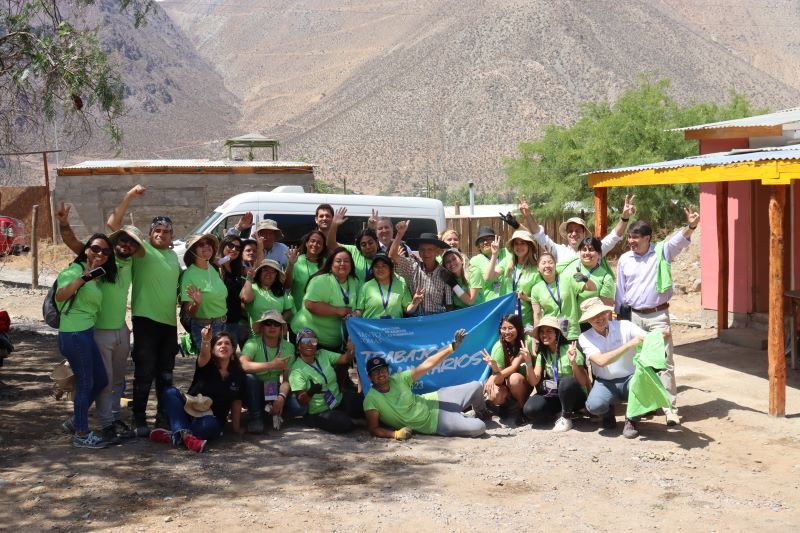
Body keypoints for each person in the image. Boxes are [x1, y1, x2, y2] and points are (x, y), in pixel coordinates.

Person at [57, 203, 141, 443]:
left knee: (108, 380)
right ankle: (96, 427)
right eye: (122, 241)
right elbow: (74, 242)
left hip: (110, 330)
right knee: (94, 381)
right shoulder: (89, 267)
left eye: (131, 243)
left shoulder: (118, 266)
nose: (126, 245)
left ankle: (78, 420)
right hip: (87, 333)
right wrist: (64, 224)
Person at [107, 184, 181, 435]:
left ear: (172, 236)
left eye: (166, 231)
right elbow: (113, 226)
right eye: (157, 230)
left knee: (166, 374)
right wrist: (128, 196)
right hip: (145, 320)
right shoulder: (141, 250)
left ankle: (162, 418)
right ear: (150, 233)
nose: (161, 234)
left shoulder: (174, 257)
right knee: (144, 371)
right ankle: (139, 418)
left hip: (170, 324)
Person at [615, 207, 699, 426]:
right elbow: (621, 292)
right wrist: (620, 315)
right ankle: (644, 405)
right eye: (630, 237)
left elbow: (679, 240)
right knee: (640, 363)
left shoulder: (662, 252)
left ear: (647, 238)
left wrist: (690, 226)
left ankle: (670, 408)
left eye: (635, 237)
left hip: (658, 316)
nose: (631, 241)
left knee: (664, 362)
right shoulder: (624, 259)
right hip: (634, 317)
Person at [363, 328, 490, 439]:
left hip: (437, 399)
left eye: (383, 370)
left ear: (388, 371)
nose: (381, 374)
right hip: (436, 422)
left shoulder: (399, 378)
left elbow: (428, 364)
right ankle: (463, 418)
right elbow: (373, 428)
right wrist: (395, 434)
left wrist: (452, 347)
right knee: (479, 427)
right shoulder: (371, 400)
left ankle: (481, 413)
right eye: (376, 372)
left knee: (477, 386)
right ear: (370, 377)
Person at [55, 233, 117, 448]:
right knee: (85, 383)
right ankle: (81, 433)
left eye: (106, 251)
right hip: (74, 334)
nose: (100, 254)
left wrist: (92, 277)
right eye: (95, 249)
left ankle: (75, 421)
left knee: (99, 380)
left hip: (86, 333)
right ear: (86, 249)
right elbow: (61, 295)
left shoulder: (99, 275)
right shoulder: (74, 270)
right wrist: (84, 277)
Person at [150, 327, 246, 452]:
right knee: (170, 392)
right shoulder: (205, 364)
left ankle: (176, 435)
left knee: (208, 425)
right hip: (188, 413)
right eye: (219, 344)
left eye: (227, 343)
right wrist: (206, 340)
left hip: (211, 419)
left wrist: (236, 428)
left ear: (233, 349)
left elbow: (236, 402)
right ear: (212, 349)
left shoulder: (238, 374)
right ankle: (187, 437)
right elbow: (203, 353)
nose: (223, 346)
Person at [578, 297, 654, 439]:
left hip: (630, 378)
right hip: (604, 382)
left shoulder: (625, 325)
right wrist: (628, 345)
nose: (599, 319)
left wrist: (660, 336)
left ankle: (631, 420)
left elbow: (649, 339)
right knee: (594, 406)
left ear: (607, 313)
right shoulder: (584, 337)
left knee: (642, 386)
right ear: (588, 320)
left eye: (601, 314)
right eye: (593, 317)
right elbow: (600, 361)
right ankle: (607, 412)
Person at [519, 195, 636, 262]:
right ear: (566, 234)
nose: (573, 234)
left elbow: (614, 236)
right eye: (570, 231)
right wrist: (528, 216)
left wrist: (625, 218)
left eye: (577, 230)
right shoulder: (558, 251)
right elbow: (539, 235)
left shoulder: (595, 250)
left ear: (584, 233)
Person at [521, 316, 590, 432]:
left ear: (557, 333)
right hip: (554, 394)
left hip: (575, 395)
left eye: (549, 331)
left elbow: (582, 381)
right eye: (542, 332)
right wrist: (528, 362)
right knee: (530, 409)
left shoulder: (570, 349)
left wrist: (573, 362)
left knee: (566, 381)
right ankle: (560, 412)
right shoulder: (542, 354)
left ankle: (566, 417)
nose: (544, 334)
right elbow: (534, 381)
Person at [288, 328, 362, 433]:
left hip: (338, 400)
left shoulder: (322, 354)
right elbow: (301, 400)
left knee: (363, 402)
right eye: (305, 341)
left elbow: (345, 359)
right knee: (343, 423)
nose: (309, 344)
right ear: (298, 347)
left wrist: (351, 350)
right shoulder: (296, 370)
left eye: (313, 341)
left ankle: (352, 418)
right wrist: (310, 392)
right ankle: (316, 421)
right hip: (319, 411)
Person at [290, 247, 359, 352]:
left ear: (351, 265)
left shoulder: (355, 282)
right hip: (309, 339)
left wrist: (355, 313)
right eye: (338, 261)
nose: (342, 264)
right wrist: (338, 310)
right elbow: (310, 305)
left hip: (337, 343)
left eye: (346, 261)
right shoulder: (320, 280)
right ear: (331, 264)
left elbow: (358, 305)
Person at [240, 310, 298, 434]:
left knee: (299, 407)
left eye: (276, 324)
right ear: (262, 327)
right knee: (250, 378)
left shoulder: (289, 347)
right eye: (268, 323)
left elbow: (287, 379)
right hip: (254, 390)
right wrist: (272, 365)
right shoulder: (253, 343)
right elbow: (242, 365)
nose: (272, 327)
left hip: (274, 389)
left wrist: (281, 397)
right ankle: (256, 417)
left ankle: (273, 410)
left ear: (281, 328)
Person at [389, 221, 453, 315]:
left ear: (437, 252)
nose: (426, 253)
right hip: (415, 321)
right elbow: (392, 256)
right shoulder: (412, 267)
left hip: (436, 320)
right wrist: (399, 234)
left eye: (430, 249)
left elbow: (449, 305)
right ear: (419, 252)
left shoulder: (445, 274)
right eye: (422, 249)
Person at [529, 252, 594, 341]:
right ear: (538, 268)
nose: (547, 265)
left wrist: (585, 279)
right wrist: (535, 340)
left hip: (571, 332)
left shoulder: (567, 279)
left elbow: (592, 288)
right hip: (550, 334)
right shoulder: (536, 289)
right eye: (543, 263)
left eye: (550, 262)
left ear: (555, 265)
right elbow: (537, 316)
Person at [181, 234, 228, 350]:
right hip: (205, 327)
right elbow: (189, 312)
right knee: (209, 364)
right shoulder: (189, 275)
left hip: (222, 323)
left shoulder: (213, 268)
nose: (207, 246)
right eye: (201, 244)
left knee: (221, 364)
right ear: (193, 251)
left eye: (209, 243)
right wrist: (196, 303)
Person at [482, 314, 533, 421]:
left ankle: (522, 407)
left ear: (518, 328)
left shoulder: (526, 341)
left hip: (524, 383)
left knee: (514, 378)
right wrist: (495, 369)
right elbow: (500, 379)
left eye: (510, 328)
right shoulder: (498, 347)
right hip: (506, 385)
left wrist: (493, 377)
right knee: (494, 394)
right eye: (503, 328)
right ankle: (506, 405)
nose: (507, 332)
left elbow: (514, 367)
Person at [484, 230, 540, 326]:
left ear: (529, 246)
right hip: (505, 320)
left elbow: (540, 300)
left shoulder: (536, 270)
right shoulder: (507, 262)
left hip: (525, 322)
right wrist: (494, 255)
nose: (519, 246)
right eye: (516, 243)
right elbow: (488, 277)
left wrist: (525, 298)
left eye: (523, 243)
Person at [355, 253, 423, 319]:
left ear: (390, 269)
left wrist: (414, 303)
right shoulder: (366, 287)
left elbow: (408, 310)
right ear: (372, 269)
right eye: (376, 266)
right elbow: (360, 311)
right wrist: (352, 315)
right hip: (372, 330)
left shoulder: (401, 285)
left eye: (384, 266)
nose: (380, 269)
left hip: (393, 329)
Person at [240, 258, 293, 336]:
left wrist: (278, 321)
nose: (269, 273)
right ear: (260, 272)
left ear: (276, 275)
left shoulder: (279, 291)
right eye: (265, 270)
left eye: (273, 271)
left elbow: (288, 310)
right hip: (256, 336)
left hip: (276, 336)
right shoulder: (252, 287)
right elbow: (246, 299)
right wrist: (249, 277)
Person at [327, 207, 380, 283]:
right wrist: (334, 225)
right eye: (363, 245)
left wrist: (372, 228)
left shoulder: (383, 255)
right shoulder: (353, 251)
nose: (368, 247)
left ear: (377, 242)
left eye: (370, 243)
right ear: (359, 247)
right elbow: (331, 244)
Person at [285, 230, 327, 315]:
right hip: (298, 314)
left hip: (319, 314)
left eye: (319, 243)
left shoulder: (327, 264)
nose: (315, 244)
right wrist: (290, 264)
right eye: (312, 241)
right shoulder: (296, 261)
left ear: (323, 246)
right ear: (306, 243)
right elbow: (287, 285)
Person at [216, 234, 247, 348]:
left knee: (229, 357)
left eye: (238, 248)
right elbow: (217, 262)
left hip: (234, 320)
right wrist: (224, 259)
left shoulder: (237, 268)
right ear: (223, 245)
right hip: (219, 321)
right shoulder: (216, 266)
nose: (234, 249)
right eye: (230, 245)